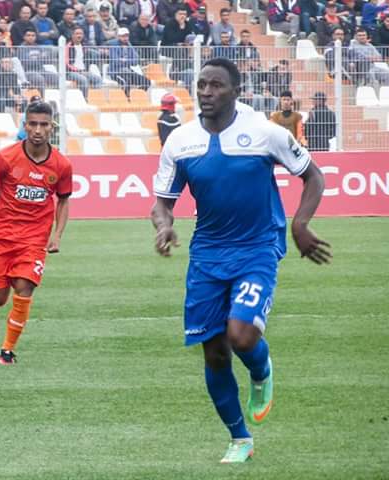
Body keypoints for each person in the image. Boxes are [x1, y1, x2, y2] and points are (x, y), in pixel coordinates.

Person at [151, 57, 330, 464]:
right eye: (201, 85)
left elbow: (313, 175)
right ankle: (240, 439)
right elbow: (162, 203)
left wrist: (300, 224)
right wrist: (163, 226)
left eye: (216, 85)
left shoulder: (266, 133)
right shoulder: (180, 141)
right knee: (214, 352)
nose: (206, 92)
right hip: (207, 255)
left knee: (242, 336)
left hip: (257, 249)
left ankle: (261, 370)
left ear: (236, 91)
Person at [0, 101, 72, 365]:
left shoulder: (62, 165)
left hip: (34, 240)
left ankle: (7, 350)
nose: (38, 130)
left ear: (52, 127)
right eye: (33, 124)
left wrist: (57, 235)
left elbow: (63, 200)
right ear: (25, 125)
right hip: (3, 237)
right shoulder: (5, 157)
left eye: (44, 124)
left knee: (24, 287)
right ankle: (4, 285)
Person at [109, 27, 151, 97]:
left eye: (126, 36)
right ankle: (127, 99)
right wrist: (128, 60)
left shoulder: (129, 45)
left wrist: (124, 60)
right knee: (126, 81)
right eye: (123, 36)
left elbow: (136, 60)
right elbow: (116, 61)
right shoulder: (114, 46)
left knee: (146, 82)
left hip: (128, 71)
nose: (125, 38)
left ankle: (136, 96)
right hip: (116, 72)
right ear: (118, 37)